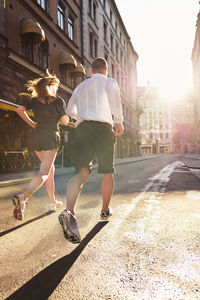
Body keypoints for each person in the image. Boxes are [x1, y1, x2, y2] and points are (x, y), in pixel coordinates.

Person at [59, 57, 124, 243]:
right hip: (103, 129)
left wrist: (82, 113)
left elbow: (70, 110)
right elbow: (115, 101)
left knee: (82, 172)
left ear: (90, 71)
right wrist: (118, 121)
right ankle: (104, 211)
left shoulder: (81, 86)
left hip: (82, 129)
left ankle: (69, 211)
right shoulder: (110, 83)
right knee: (107, 171)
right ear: (106, 70)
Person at [13, 75, 69, 220]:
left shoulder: (34, 101)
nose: (57, 88)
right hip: (50, 137)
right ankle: (23, 197)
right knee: (44, 172)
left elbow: (19, 110)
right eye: (56, 86)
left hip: (37, 136)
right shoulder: (58, 101)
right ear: (51, 86)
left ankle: (52, 202)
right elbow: (64, 121)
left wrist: (32, 123)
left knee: (50, 169)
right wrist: (68, 115)